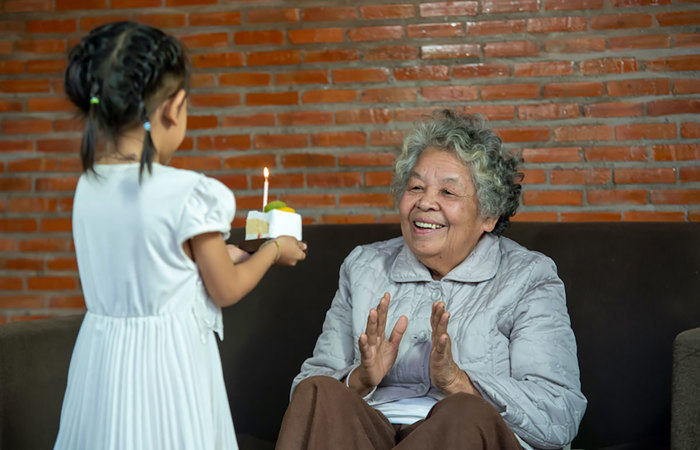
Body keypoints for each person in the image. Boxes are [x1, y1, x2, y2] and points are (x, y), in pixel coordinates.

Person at [54, 21, 307, 450]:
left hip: (103, 361)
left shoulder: (89, 186)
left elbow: (152, 264)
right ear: (174, 108)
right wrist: (272, 249)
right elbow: (225, 289)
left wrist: (221, 253)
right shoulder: (187, 193)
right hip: (167, 367)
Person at [277, 110, 586, 450]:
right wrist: (359, 379)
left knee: (463, 413)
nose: (425, 202)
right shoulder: (364, 266)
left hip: (461, 436)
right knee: (319, 390)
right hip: (368, 433)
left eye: (448, 193)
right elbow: (306, 397)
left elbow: (559, 413)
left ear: (488, 214)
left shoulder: (528, 277)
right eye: (416, 187)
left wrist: (459, 382)